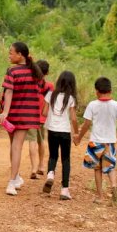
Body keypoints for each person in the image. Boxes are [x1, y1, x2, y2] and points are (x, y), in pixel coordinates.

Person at [74, 77, 117, 204]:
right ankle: (113, 186)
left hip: (95, 143)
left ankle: (100, 197)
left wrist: (79, 138)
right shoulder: (116, 105)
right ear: (110, 90)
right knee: (110, 167)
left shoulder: (92, 105)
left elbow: (86, 124)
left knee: (97, 169)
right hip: (110, 143)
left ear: (96, 91)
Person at [0, 42, 43, 196]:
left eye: (11, 52)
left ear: (20, 55)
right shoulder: (35, 72)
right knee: (15, 146)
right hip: (26, 115)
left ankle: (12, 181)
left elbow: (8, 92)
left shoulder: (13, 71)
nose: (9, 55)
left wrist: (5, 113)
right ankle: (15, 178)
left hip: (15, 115)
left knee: (15, 146)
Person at [42, 71, 79, 200]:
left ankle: (50, 174)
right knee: (66, 159)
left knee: (53, 155)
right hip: (64, 131)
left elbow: (44, 112)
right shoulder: (71, 98)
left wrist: (53, 115)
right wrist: (77, 133)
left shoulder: (50, 94)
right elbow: (73, 118)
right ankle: (64, 190)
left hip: (52, 130)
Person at [27, 60, 53, 180]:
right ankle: (41, 166)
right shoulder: (50, 86)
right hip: (42, 117)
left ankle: (33, 168)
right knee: (41, 141)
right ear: (47, 72)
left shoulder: (31, 84)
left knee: (32, 141)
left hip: (30, 116)